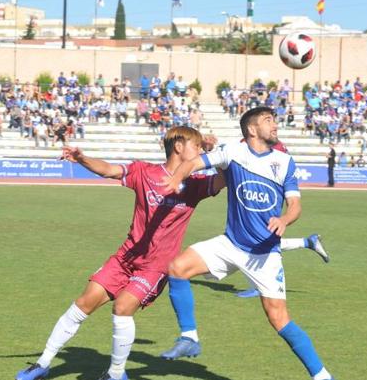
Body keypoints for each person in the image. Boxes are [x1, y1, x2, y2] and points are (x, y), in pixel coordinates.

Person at [15, 127, 223, 380]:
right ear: (179, 146)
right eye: (197, 146)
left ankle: (115, 374)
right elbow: (108, 170)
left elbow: (225, 178)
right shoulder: (145, 172)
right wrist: (82, 159)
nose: (200, 151)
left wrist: (216, 154)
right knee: (84, 302)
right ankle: (43, 364)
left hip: (155, 267)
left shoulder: (196, 184)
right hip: (125, 258)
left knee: (123, 307)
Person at [161, 107, 335, 380]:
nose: (275, 125)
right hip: (231, 244)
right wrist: (176, 178)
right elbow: (193, 163)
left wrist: (284, 220)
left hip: (265, 256)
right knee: (177, 268)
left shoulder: (284, 161)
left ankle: (322, 376)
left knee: (279, 319)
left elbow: (295, 205)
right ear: (252, 130)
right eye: (269, 120)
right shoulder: (233, 152)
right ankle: (189, 337)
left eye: (274, 120)